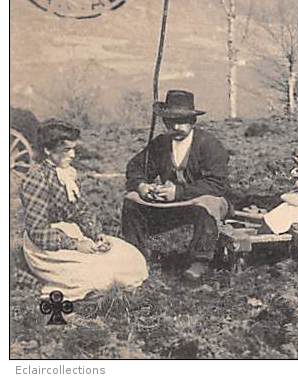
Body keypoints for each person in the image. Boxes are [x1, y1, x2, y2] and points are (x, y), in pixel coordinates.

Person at [19, 120, 148, 300]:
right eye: (66, 150)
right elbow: (38, 231)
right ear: (48, 150)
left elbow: (81, 210)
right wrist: (75, 245)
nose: (72, 155)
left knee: (131, 257)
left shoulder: (68, 174)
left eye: (73, 149)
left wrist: (96, 234)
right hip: (46, 247)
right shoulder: (36, 179)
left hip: (74, 234)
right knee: (99, 276)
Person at [121, 90, 231, 281]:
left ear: (193, 121)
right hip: (171, 206)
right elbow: (135, 167)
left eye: (182, 121)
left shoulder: (209, 145)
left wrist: (179, 192)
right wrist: (142, 186)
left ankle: (200, 260)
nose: (176, 127)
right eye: (170, 122)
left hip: (202, 203)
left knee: (209, 203)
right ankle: (137, 255)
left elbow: (216, 183)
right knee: (131, 200)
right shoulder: (161, 144)